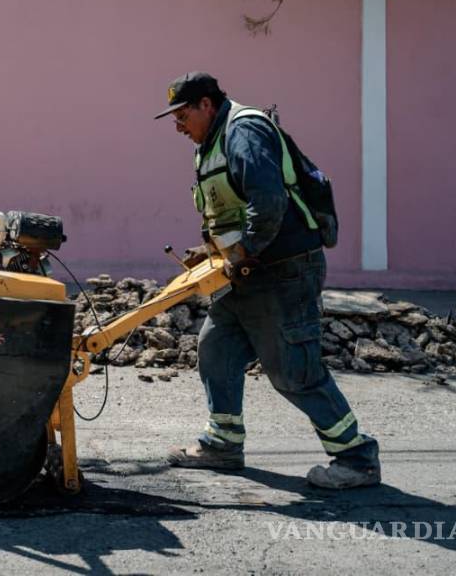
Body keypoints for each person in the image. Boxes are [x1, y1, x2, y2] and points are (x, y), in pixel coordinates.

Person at [153, 72, 380, 489]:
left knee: (293, 370)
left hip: (283, 270)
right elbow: (231, 212)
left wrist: (243, 252)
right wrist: (213, 252)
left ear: (207, 104)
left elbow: (269, 200)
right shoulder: (210, 145)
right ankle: (223, 444)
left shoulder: (245, 131)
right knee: (215, 350)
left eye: (183, 114)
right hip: (245, 272)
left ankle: (356, 457)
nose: (178, 125)